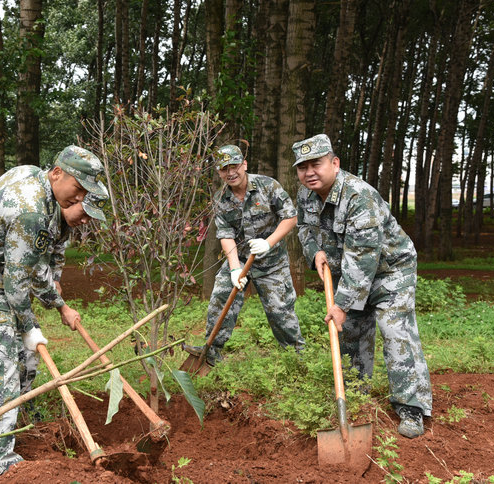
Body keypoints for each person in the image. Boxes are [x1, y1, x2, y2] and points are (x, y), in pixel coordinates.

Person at [0, 145, 108, 475]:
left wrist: (56, 299)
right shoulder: (31, 209)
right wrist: (32, 325)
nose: (79, 201)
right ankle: (2, 465)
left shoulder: (46, 189)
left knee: (13, 360)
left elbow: (47, 258)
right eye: (79, 190)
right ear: (57, 173)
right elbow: (19, 283)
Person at [292, 133, 432, 439]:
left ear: (334, 163)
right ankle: (355, 396)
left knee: (396, 332)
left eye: (315, 164)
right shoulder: (306, 194)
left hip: (390, 271)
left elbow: (364, 258)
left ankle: (411, 407)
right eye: (302, 167)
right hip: (349, 270)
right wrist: (313, 251)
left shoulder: (359, 197)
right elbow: (304, 227)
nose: (309, 172)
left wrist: (341, 305)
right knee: (352, 334)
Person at [183, 144, 305, 366]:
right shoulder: (220, 199)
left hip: (272, 262)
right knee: (221, 297)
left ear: (244, 164)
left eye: (234, 166)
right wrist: (234, 268)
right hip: (239, 257)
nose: (230, 172)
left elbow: (290, 217)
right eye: (223, 169)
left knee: (280, 311)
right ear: (219, 172)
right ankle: (211, 352)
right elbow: (225, 233)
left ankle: (296, 357)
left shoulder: (268, 186)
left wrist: (268, 243)